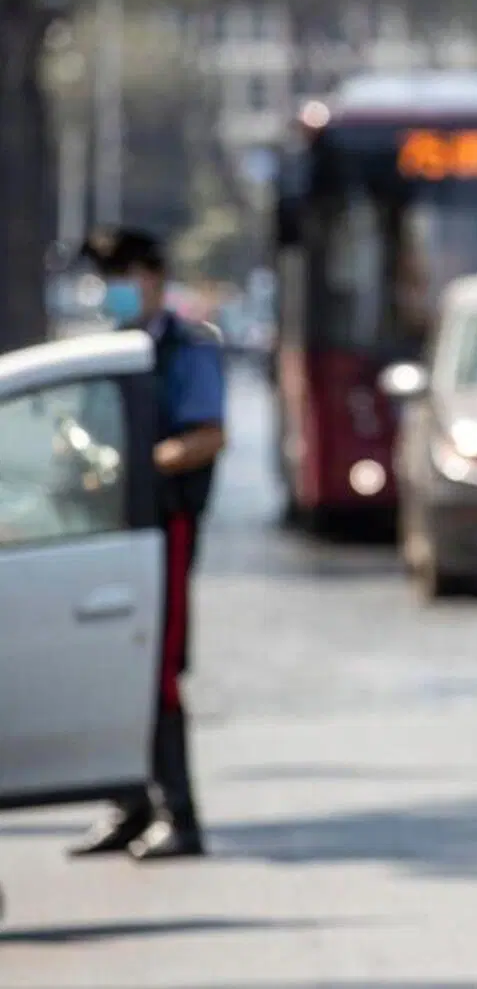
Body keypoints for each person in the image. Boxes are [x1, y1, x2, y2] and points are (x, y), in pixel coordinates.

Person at [68, 227, 226, 862]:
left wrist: (138, 465)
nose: (116, 290)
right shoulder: (106, 350)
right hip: (106, 528)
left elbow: (207, 435)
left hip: (162, 528)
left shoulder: (188, 349)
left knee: (156, 669)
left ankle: (180, 816)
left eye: (124, 276)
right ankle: (130, 807)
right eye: (108, 278)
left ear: (154, 277)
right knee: (111, 666)